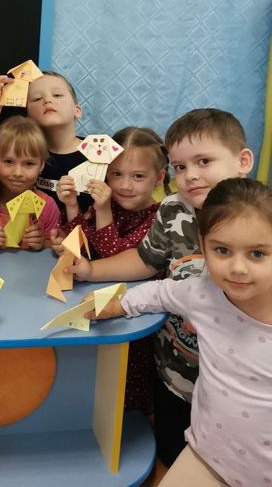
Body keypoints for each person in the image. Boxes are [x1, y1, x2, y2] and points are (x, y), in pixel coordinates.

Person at [69, 108, 253, 470]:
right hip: (174, 372)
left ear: (242, 161)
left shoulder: (261, 216)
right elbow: (145, 260)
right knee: (172, 456)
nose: (191, 175)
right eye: (181, 167)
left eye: (204, 161)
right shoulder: (172, 209)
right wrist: (90, 271)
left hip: (237, 385)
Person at [91, 178, 272, 486]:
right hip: (207, 457)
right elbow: (160, 292)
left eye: (257, 254)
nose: (238, 268)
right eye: (222, 250)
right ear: (203, 244)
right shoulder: (203, 292)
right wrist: (117, 304)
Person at [53, 125, 169, 411]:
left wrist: (103, 210)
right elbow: (83, 246)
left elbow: (113, 257)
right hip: (93, 303)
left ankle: (130, 418)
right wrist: (71, 207)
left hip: (132, 318)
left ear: (159, 177)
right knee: (92, 377)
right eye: (116, 174)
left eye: (138, 176)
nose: (125, 185)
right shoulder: (107, 204)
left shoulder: (158, 217)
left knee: (124, 383)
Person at [0, 70, 93, 213]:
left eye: (57, 95)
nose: (47, 100)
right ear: (28, 116)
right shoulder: (23, 148)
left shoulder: (101, 150)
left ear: (77, 110)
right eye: (37, 98)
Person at [0, 116, 61, 251]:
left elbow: (57, 247)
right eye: (9, 162)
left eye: (29, 164)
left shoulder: (47, 206)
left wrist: (42, 244)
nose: (18, 173)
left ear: (41, 165)